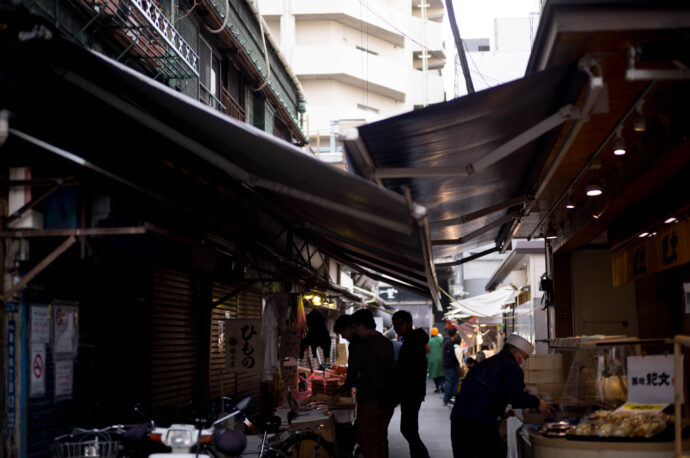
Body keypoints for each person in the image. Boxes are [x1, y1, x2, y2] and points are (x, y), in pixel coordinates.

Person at [450, 334, 554, 458]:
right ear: (516, 353)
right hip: (480, 424)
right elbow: (517, 398)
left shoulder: (489, 362)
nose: (524, 362)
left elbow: (489, 391)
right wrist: (538, 403)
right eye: (525, 357)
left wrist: (500, 410)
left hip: (459, 420)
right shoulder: (512, 367)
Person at [335, 309, 394, 458]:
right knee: (381, 440)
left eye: (355, 327)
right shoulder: (386, 342)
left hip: (369, 400)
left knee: (368, 442)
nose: (354, 331)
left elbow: (353, 374)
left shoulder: (360, 345)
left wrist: (341, 391)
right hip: (387, 399)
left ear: (362, 325)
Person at [392, 310, 430, 458]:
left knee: (408, 429)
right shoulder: (411, 340)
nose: (396, 327)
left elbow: (407, 369)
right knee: (410, 429)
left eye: (399, 324)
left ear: (408, 324)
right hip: (414, 391)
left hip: (412, 391)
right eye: (394, 324)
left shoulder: (412, 342)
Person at [442, 327, 461, 407]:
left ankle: (447, 399)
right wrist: (457, 364)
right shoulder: (449, 343)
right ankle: (446, 399)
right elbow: (452, 356)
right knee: (449, 382)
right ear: (455, 334)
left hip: (447, 365)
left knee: (449, 382)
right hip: (450, 366)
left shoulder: (446, 342)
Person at [427, 327, 444, 393]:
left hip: (433, 359)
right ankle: (442, 385)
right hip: (442, 359)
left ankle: (437, 387)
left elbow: (428, 349)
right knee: (441, 373)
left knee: (434, 373)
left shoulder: (430, 341)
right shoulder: (442, 340)